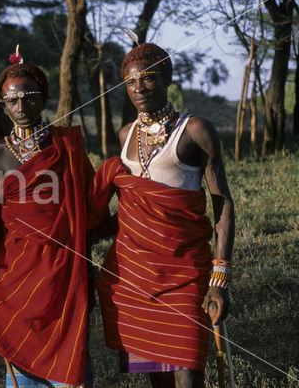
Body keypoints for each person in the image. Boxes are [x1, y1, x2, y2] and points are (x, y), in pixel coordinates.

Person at [90, 42, 235, 388]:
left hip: (185, 271)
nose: (138, 88)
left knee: (188, 372)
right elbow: (131, 208)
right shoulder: (126, 135)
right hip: (136, 274)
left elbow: (223, 204)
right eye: (130, 82)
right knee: (157, 377)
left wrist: (220, 279)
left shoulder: (196, 130)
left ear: (168, 78)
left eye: (148, 79)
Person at [0, 55, 110, 388]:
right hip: (16, 274)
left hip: (65, 272)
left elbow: (89, 206)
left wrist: (114, 178)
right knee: (22, 362)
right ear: (3, 104)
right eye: (12, 98)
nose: (21, 104)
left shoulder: (66, 144)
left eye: (29, 96)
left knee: (71, 364)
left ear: (43, 98)